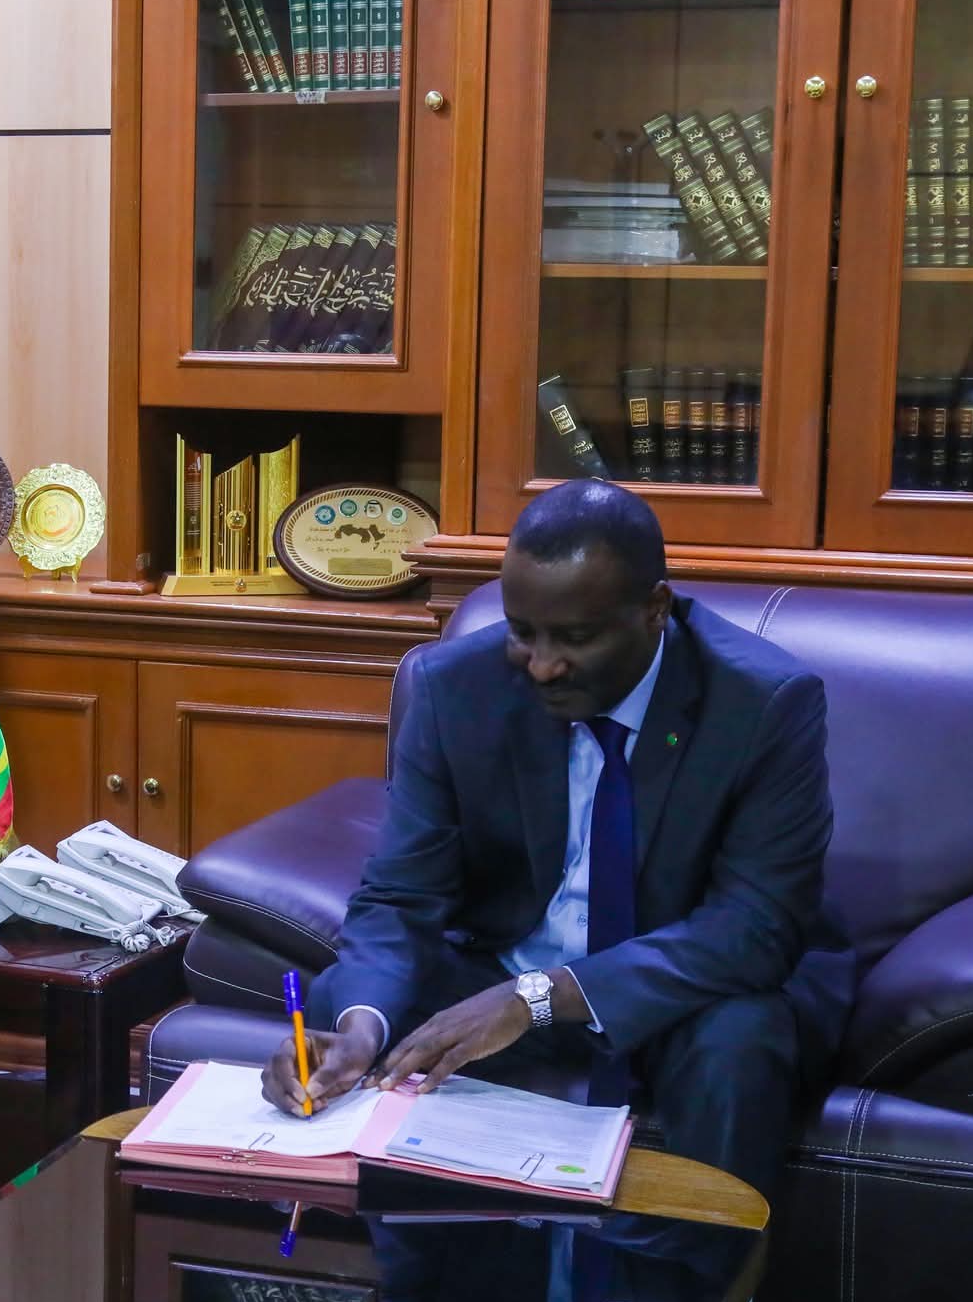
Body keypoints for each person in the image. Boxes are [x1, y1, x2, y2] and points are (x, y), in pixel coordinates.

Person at [260, 479, 852, 1197]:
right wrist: (361, 1029)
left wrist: (539, 997)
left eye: (575, 638)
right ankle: (430, 1258)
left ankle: (705, 1267)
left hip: (678, 986)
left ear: (655, 609)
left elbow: (754, 926)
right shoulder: (455, 688)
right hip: (500, 968)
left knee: (739, 1039)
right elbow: (400, 896)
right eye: (523, 632)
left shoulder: (761, 702)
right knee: (355, 1005)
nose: (541, 665)